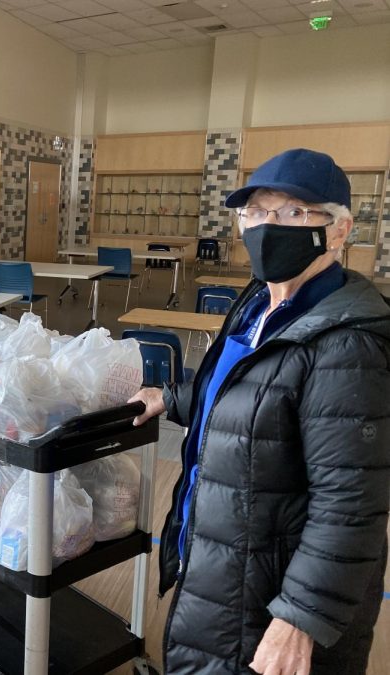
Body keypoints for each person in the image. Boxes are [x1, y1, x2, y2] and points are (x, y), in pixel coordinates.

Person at [129, 148, 389, 674]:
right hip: (232, 555)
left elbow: (351, 506)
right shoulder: (256, 303)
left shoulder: (347, 346)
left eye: (293, 213)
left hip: (274, 583)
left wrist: (300, 618)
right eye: (256, 212)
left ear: (337, 231)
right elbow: (249, 393)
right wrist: (175, 397)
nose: (268, 227)